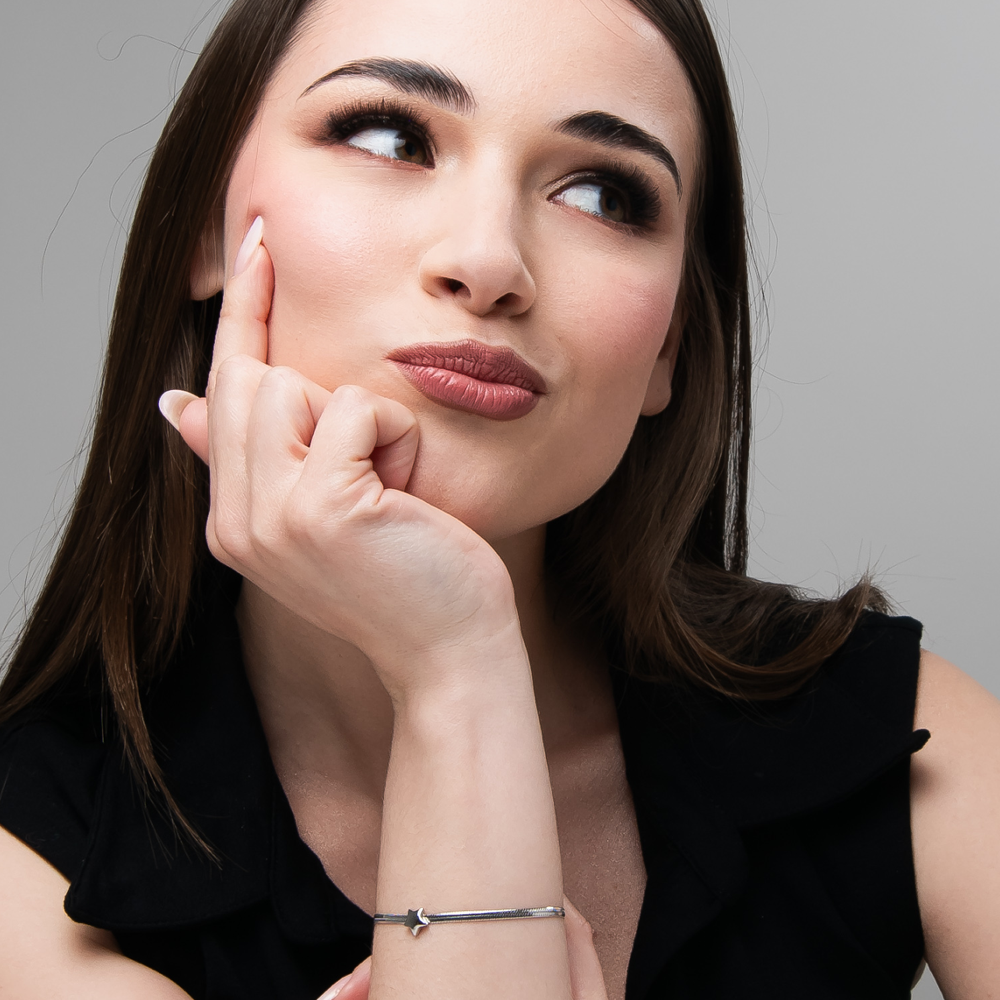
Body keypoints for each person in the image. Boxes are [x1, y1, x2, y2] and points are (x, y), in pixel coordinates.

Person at [0, 0, 997, 997]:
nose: (487, 263)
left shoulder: (921, 746)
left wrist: (451, 665)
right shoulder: (26, 869)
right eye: (390, 137)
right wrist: (455, 668)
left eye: (603, 194)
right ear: (207, 226)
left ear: (670, 346)